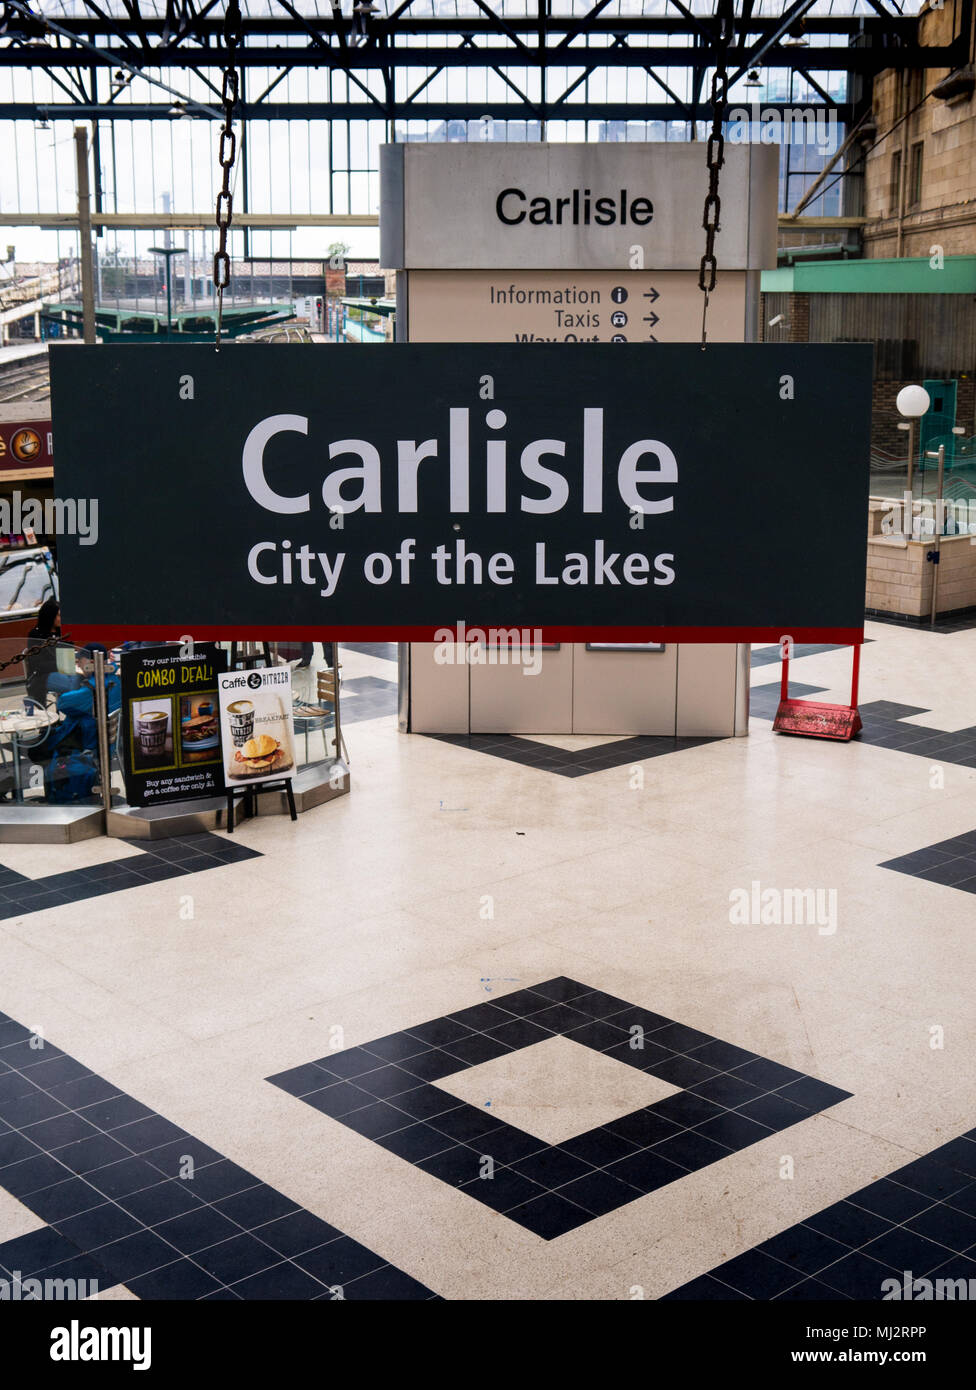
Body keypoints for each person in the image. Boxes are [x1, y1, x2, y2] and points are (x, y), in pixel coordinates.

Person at [24, 598, 65, 706]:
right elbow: (37, 664)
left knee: (83, 681)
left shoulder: (63, 632)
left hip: (64, 671)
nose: (61, 619)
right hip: (43, 676)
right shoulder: (36, 635)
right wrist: (63, 663)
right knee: (75, 683)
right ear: (49, 616)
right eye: (58, 615)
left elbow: (69, 651)